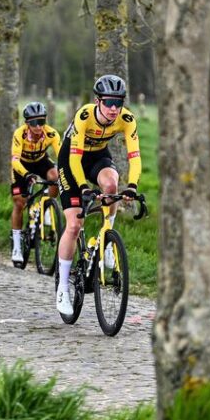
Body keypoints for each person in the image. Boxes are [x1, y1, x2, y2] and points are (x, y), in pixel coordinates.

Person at [54, 75, 141, 316]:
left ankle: (107, 240)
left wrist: (132, 185)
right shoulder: (84, 116)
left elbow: (135, 156)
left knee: (112, 185)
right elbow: (73, 158)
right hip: (71, 159)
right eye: (108, 102)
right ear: (97, 101)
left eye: (118, 102)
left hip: (97, 156)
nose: (114, 108)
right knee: (74, 224)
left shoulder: (127, 119)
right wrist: (82, 186)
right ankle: (63, 287)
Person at [9, 102, 61, 266]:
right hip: (22, 166)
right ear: (27, 123)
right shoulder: (20, 134)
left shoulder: (51, 134)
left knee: (55, 176)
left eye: (41, 122)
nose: (38, 126)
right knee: (19, 202)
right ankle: (17, 246)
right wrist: (26, 174)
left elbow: (62, 157)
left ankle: (45, 206)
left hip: (40, 161)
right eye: (33, 123)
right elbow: (15, 160)